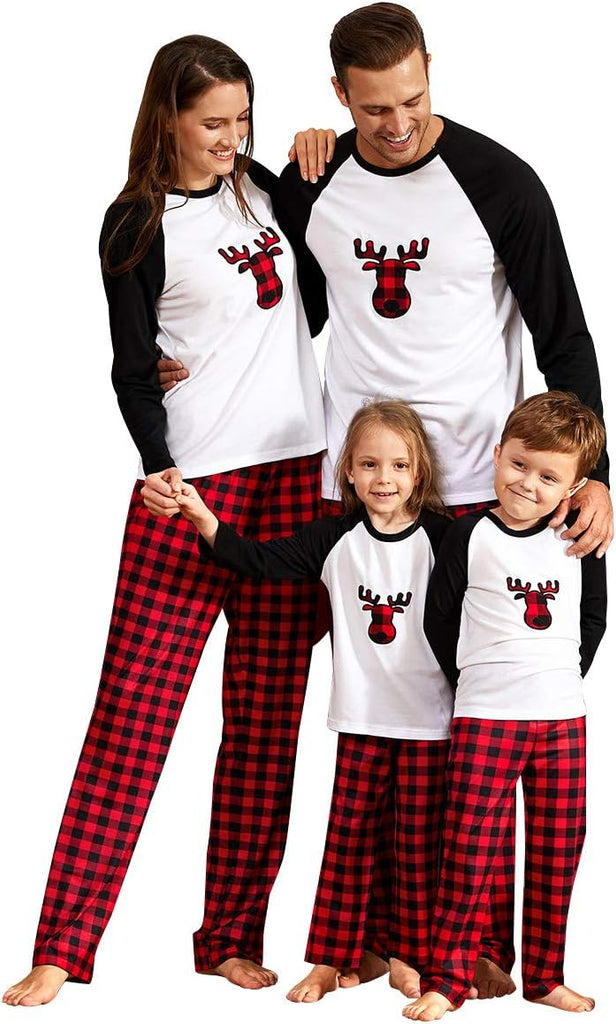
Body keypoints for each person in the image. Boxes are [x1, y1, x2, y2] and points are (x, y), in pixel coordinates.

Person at [156, 2, 612, 998]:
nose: (396, 124)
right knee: (344, 720)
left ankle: (470, 946)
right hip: (355, 494)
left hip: (480, 500)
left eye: (412, 99)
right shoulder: (313, 181)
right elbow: (265, 297)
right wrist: (168, 357)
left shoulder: (501, 182)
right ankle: (335, 936)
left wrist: (597, 475)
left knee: (471, 722)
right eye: (371, 109)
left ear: (430, 71)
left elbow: (564, 336)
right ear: (338, 96)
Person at [2, 34, 328, 1007]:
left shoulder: (263, 189)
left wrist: (313, 158)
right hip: (189, 492)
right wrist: (157, 460)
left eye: (243, 119)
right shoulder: (135, 221)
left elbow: (318, 298)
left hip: (295, 480)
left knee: (264, 729)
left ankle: (229, 938)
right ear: (168, 120)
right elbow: (129, 361)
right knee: (130, 722)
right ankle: (63, 946)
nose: (230, 138)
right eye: (212, 122)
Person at [174, 398, 453, 1004]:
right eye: (369, 464)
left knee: (416, 845)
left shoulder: (446, 539)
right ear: (347, 470)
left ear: (419, 472)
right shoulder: (334, 538)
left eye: (399, 465)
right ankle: (330, 959)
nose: (384, 479)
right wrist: (204, 519)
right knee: (347, 842)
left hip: (432, 723)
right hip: (360, 720)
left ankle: (408, 956)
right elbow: (257, 560)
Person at [404, 391, 607, 1020]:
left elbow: (594, 616)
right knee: (468, 849)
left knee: (558, 847)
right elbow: (438, 618)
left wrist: (560, 677)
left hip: (562, 719)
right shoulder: (469, 534)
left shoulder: (577, 536)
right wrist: (474, 679)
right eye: (519, 465)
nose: (528, 483)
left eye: (549, 477)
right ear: (497, 455)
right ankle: (448, 978)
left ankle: (545, 976)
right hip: (487, 716)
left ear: (574, 486)